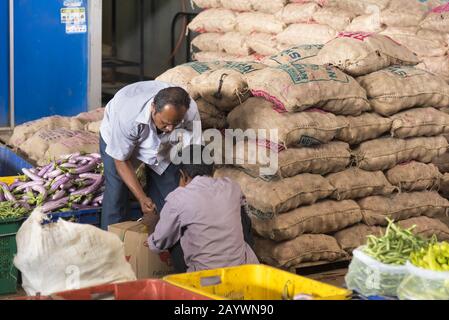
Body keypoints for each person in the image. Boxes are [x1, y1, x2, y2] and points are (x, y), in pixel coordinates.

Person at [99, 81, 202, 270]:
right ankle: (110, 260)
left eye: (175, 123)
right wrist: (141, 197)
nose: (170, 128)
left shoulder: (189, 110)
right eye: (165, 122)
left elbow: (193, 151)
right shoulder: (127, 115)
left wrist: (186, 189)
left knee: (172, 195)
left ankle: (167, 258)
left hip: (164, 148)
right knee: (117, 194)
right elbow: (121, 161)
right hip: (121, 141)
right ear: (153, 108)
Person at [146, 144, 259, 273]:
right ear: (213, 170)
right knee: (240, 213)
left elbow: (160, 242)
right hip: (242, 272)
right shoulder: (231, 186)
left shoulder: (178, 199)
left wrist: (151, 227)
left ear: (183, 175)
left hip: (206, 279)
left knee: (175, 232)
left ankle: (185, 281)